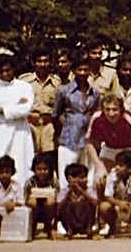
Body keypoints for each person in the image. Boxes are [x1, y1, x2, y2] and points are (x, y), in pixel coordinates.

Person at [0, 54, 35, 187]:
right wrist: (14, 106)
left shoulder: (24, 87)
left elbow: (25, 110)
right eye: (1, 71)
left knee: (21, 166)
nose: (5, 74)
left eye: (8, 70)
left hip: (19, 132)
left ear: (13, 69)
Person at [53, 53, 100, 190]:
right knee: (66, 175)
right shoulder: (64, 91)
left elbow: (97, 114)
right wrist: (63, 130)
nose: (83, 73)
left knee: (88, 175)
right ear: (73, 71)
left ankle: (87, 201)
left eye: (86, 70)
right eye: (80, 70)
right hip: (69, 138)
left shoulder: (95, 93)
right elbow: (56, 114)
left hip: (88, 139)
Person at [85, 94, 131, 181]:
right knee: (98, 179)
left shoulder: (130, 120)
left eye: (114, 109)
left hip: (129, 152)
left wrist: (125, 165)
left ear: (121, 109)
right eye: (107, 109)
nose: (111, 114)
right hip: (109, 149)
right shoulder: (97, 118)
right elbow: (89, 143)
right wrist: (99, 164)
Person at [97, 150, 131, 238]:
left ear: (130, 168)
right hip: (115, 206)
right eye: (117, 164)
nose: (117, 167)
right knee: (104, 207)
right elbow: (107, 195)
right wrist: (119, 203)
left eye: (121, 165)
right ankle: (113, 226)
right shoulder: (112, 175)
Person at [19, 49, 61, 162]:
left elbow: (59, 106)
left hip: (48, 124)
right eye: (39, 61)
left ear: (50, 63)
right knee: (30, 156)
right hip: (30, 123)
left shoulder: (56, 82)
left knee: (49, 156)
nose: (42, 64)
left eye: (46, 61)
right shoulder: (24, 81)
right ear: (33, 63)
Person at [24, 152, 60, 240]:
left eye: (45, 169)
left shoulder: (54, 182)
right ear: (34, 169)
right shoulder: (30, 182)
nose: (42, 172)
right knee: (32, 202)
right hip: (35, 209)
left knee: (50, 202)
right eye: (39, 169)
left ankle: (50, 227)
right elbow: (25, 199)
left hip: (49, 209)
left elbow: (58, 198)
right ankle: (32, 227)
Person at [57, 163, 97, 238]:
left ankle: (88, 229)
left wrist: (82, 191)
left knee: (88, 203)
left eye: (85, 177)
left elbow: (95, 203)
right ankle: (70, 230)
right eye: (82, 177)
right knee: (68, 204)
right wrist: (69, 193)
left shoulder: (89, 190)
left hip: (85, 221)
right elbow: (58, 207)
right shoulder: (65, 190)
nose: (85, 179)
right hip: (71, 222)